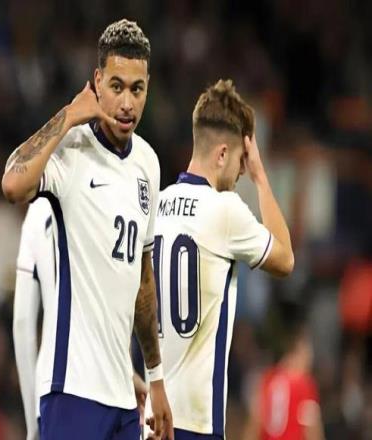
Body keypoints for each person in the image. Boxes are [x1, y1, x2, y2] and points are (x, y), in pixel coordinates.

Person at [3, 19, 173, 440]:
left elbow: (142, 281)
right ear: (97, 82)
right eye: (116, 86)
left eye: (137, 89)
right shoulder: (72, 150)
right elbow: (12, 184)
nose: (127, 103)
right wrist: (67, 116)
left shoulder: (148, 164)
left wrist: (155, 378)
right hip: (71, 391)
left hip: (123, 398)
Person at [145, 79, 294, 439]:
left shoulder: (157, 204)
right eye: (242, 160)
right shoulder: (225, 210)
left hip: (153, 417)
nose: (242, 171)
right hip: (197, 423)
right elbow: (285, 258)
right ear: (223, 154)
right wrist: (261, 177)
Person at [243, 322, 324, 440]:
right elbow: (312, 430)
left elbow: (255, 421)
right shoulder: (304, 384)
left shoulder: (267, 378)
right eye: (307, 352)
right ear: (297, 353)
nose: (310, 359)